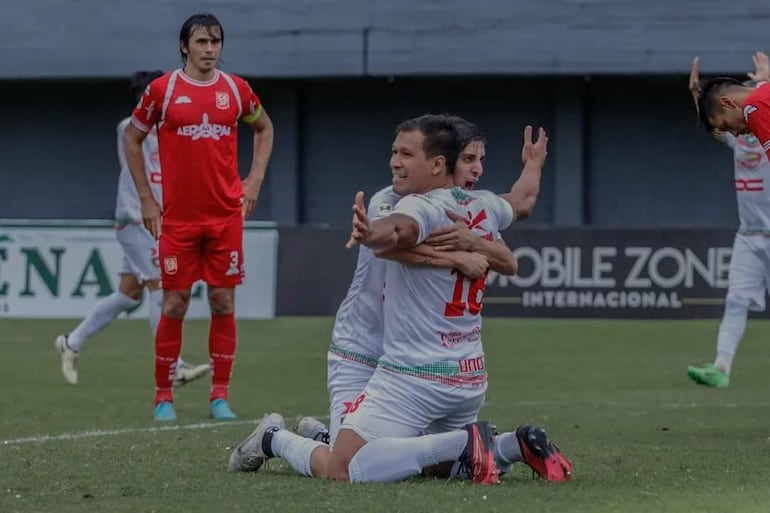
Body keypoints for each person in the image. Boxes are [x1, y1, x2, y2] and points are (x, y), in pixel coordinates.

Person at [227, 115, 572, 484]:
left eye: (479, 159)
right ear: (446, 162)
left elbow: (493, 254)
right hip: (371, 349)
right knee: (416, 464)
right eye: (469, 159)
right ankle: (507, 447)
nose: (477, 169)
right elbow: (393, 242)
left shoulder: (446, 206)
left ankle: (274, 439)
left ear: (437, 162)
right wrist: (458, 254)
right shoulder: (401, 202)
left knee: (344, 466)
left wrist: (473, 244)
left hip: (408, 364)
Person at [125, 13, 274, 421]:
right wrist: (146, 199)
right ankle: (163, 398)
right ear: (184, 46)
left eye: (216, 42)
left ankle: (219, 396)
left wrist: (254, 180)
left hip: (225, 216)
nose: (210, 49)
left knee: (223, 300)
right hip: (178, 219)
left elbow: (264, 128)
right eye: (202, 42)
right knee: (173, 303)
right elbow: (132, 137)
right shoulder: (163, 90)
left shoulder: (235, 90)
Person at [54, 70, 209, 387]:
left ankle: (71, 343)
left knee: (128, 294)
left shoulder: (171, 130)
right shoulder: (129, 127)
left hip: (157, 220)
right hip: (135, 218)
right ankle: (173, 367)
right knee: (160, 285)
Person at [687, 54, 770, 387]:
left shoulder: (756, 114)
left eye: (725, 122)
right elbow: (716, 119)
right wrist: (697, 94)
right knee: (736, 299)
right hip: (749, 234)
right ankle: (721, 366)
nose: (726, 130)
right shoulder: (740, 132)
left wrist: (764, 80)